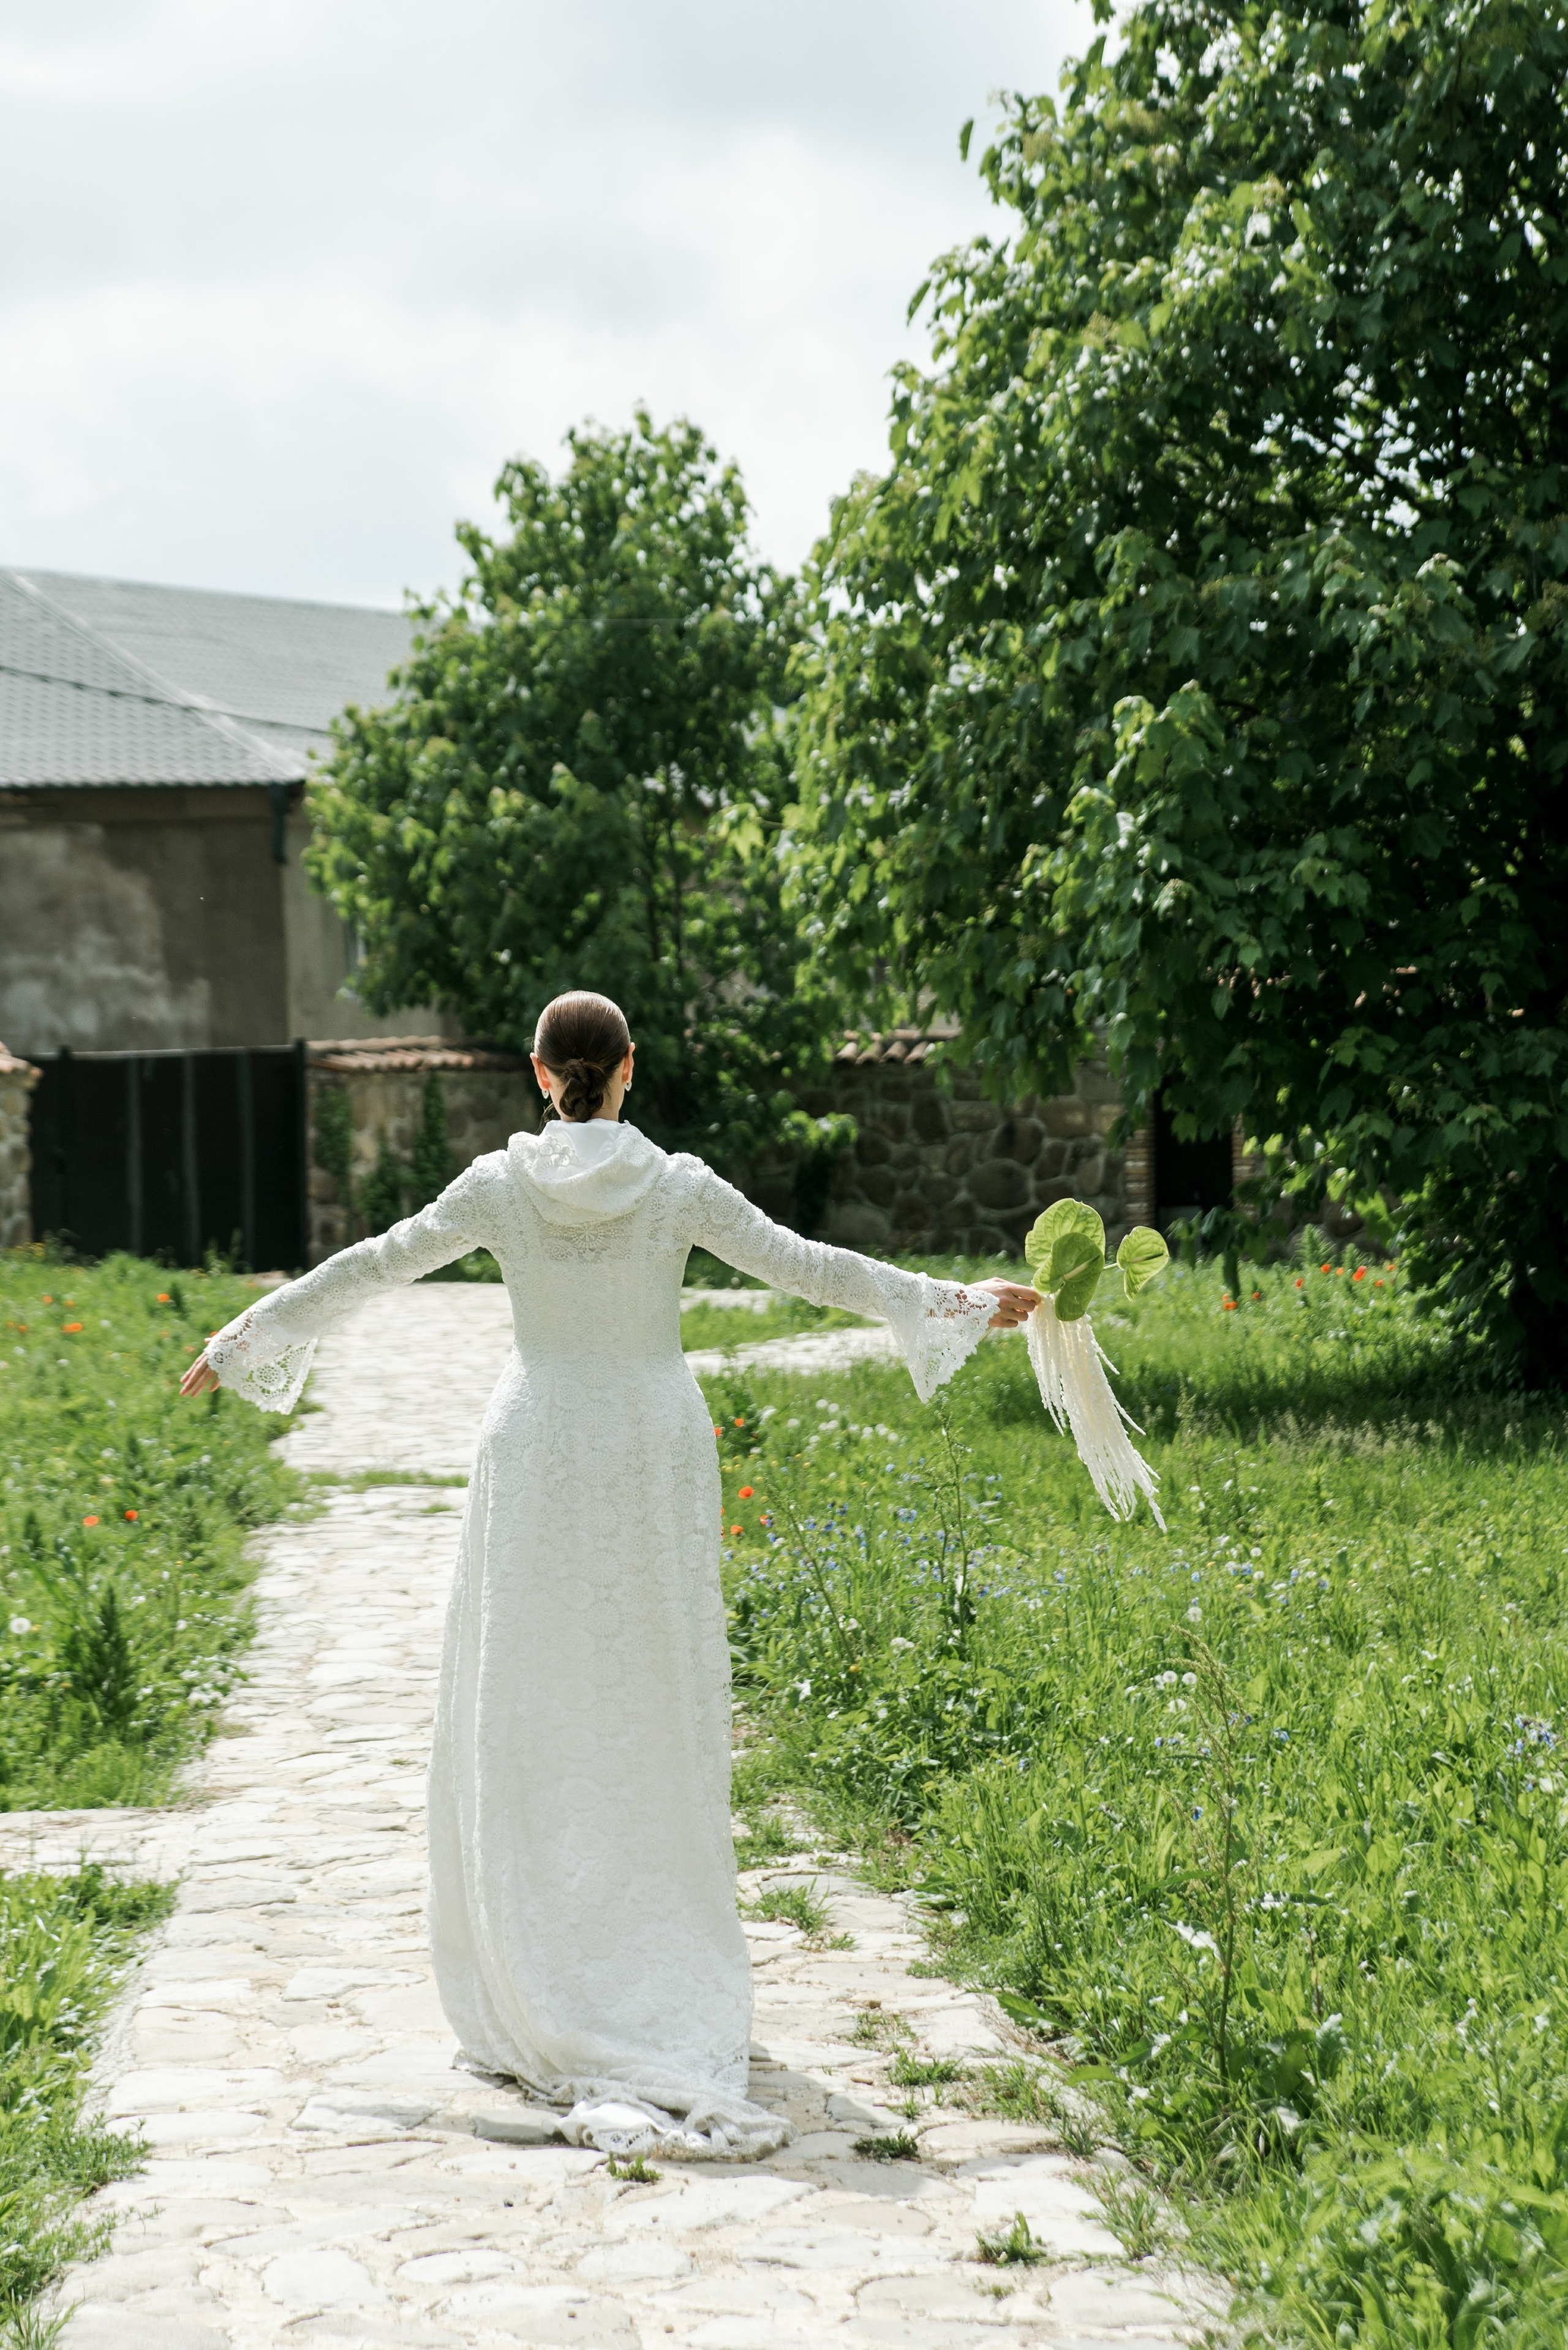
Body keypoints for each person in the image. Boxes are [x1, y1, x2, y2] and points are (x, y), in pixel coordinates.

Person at [183, 990, 1038, 2159]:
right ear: (629, 1067)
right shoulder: (678, 1185)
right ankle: (646, 1948)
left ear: (539, 1073)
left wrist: (246, 1334)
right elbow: (811, 1267)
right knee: (651, 1695)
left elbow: (375, 1263)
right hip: (648, 1442)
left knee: (532, 1699)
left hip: (538, 1441)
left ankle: (545, 1959)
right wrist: (958, 1302)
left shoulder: (499, 1185)